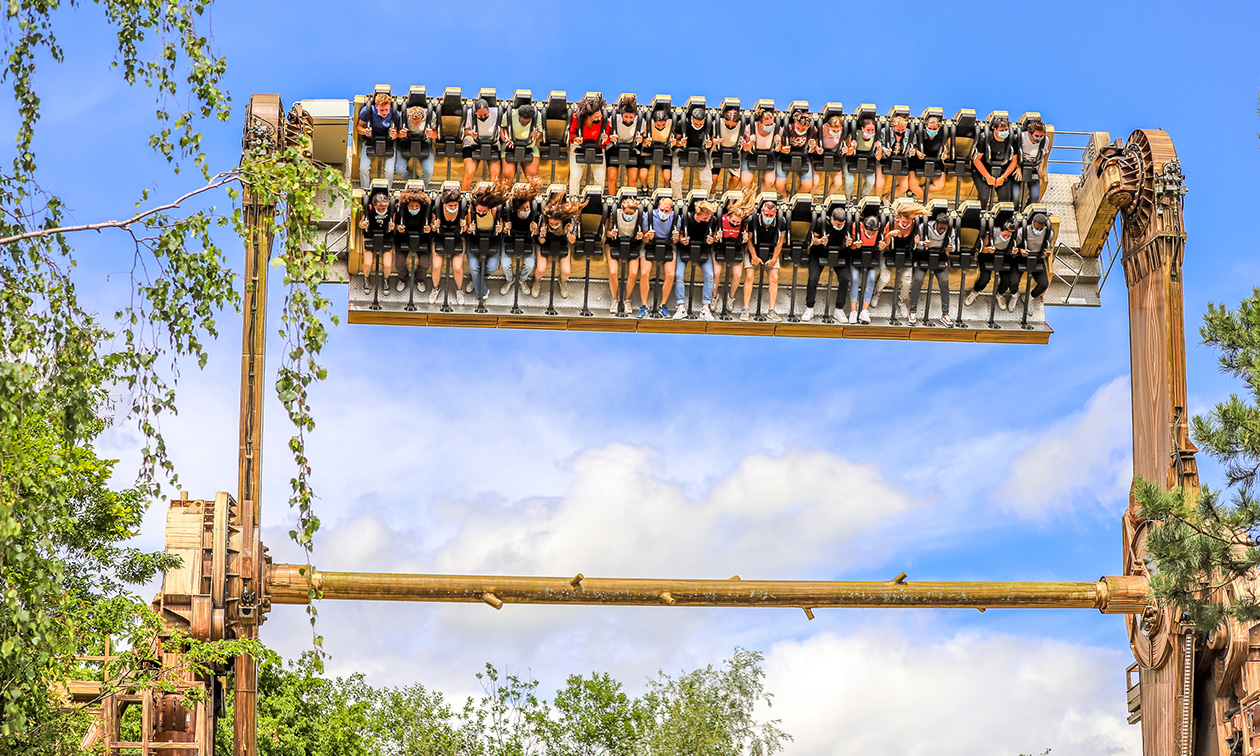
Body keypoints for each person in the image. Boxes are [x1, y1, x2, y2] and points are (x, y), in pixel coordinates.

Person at [877, 198, 926, 317]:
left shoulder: (915, 226)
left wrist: (917, 242)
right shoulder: (891, 223)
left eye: (907, 222)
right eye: (903, 222)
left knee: (907, 280)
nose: (905, 224)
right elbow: (885, 244)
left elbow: (917, 245)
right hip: (890, 253)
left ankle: (902, 301)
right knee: (885, 277)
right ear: (899, 218)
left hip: (906, 255)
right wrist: (889, 235)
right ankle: (877, 293)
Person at [465, 179, 511, 305]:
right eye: (479, 211)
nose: (481, 213)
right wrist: (469, 229)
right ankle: (482, 292)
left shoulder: (497, 211)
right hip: (474, 239)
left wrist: (500, 229)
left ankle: (476, 281)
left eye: (483, 212)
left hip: (492, 240)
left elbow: (502, 227)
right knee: (474, 268)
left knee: (491, 267)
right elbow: (467, 230)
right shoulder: (471, 210)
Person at [672, 199, 718, 320]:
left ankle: (705, 308)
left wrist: (711, 240)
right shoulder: (686, 218)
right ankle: (681, 306)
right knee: (678, 275)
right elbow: (680, 233)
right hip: (685, 248)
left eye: (709, 217)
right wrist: (682, 239)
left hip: (703, 249)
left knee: (710, 275)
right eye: (705, 217)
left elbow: (713, 235)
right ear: (698, 214)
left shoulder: (712, 220)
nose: (707, 219)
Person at [802, 206, 849, 322]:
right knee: (813, 279)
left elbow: (852, 241)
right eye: (837, 224)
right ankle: (809, 307)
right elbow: (812, 241)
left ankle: (839, 309)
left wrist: (849, 243)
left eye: (842, 224)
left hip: (839, 253)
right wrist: (820, 242)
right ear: (832, 219)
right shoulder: (821, 222)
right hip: (819, 253)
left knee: (845, 279)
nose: (840, 226)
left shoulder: (848, 224)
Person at [907, 213, 954, 327]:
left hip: (940, 256)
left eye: (944, 228)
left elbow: (954, 246)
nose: (942, 230)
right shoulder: (924, 227)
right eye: (940, 227)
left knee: (944, 282)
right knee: (918, 280)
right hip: (923, 255)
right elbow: (915, 244)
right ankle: (912, 312)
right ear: (936, 224)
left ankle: (945, 315)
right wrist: (922, 244)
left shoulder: (950, 231)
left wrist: (951, 248)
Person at [741, 198, 784, 322]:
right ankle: (746, 308)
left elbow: (780, 241)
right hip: (753, 248)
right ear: (762, 211)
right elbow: (748, 239)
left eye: (771, 215)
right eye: (766, 214)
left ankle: (771, 310)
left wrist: (774, 258)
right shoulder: (752, 219)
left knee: (774, 277)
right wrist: (754, 256)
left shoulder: (781, 220)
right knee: (749, 275)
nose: (768, 217)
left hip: (772, 249)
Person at [534, 192, 582, 299]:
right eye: (551, 223)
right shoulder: (543, 217)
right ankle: (536, 282)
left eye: (556, 224)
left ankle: (562, 282)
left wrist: (568, 233)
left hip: (562, 242)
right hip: (545, 242)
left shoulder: (569, 219)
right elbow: (541, 241)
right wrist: (542, 234)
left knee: (566, 272)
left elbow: (572, 241)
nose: (553, 226)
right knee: (541, 269)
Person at [499, 179, 542, 296]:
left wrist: (535, 229)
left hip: (527, 238)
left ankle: (522, 280)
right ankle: (510, 280)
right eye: (523, 209)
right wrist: (504, 227)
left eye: (527, 207)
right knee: (505, 264)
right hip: (510, 237)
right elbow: (501, 228)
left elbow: (538, 233)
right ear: (517, 208)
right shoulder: (507, 211)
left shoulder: (534, 211)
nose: (526, 210)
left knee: (529, 264)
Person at [638, 196, 678, 318]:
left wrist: (676, 239)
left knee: (670, 274)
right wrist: (647, 237)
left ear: (671, 210)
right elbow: (644, 239)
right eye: (662, 210)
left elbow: (676, 240)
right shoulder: (648, 216)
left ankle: (663, 305)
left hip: (668, 246)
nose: (664, 213)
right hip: (650, 245)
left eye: (667, 211)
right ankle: (644, 305)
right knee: (644, 273)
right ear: (658, 207)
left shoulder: (676, 218)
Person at [964, 218, 1017, 309]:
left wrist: (1014, 251)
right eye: (1004, 235)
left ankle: (999, 294)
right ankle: (975, 292)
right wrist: (988, 249)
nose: (1006, 238)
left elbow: (1015, 249)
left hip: (1003, 256)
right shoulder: (992, 234)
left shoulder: (1013, 237)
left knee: (1006, 280)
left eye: (1008, 236)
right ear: (1001, 230)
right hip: (988, 256)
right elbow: (982, 250)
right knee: (985, 278)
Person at [1007, 211, 1054, 311]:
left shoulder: (1049, 234)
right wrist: (1020, 250)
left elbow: (1049, 247)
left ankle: (1029, 298)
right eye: (1036, 228)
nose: (1038, 230)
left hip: (1037, 258)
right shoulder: (1022, 232)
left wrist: (1047, 253)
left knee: (1044, 284)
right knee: (1013, 281)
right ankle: (1014, 296)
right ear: (1032, 223)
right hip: (1022, 258)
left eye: (1041, 229)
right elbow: (1014, 247)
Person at [604, 194, 642, 315]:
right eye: (627, 213)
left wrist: (641, 236)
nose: (629, 216)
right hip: (614, 243)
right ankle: (615, 299)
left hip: (632, 243)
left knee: (633, 272)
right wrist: (611, 233)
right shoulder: (614, 214)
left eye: (631, 214)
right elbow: (607, 232)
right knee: (613, 272)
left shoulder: (640, 216)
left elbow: (644, 233)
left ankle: (626, 300)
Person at [429, 187, 468, 305]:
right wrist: (434, 226)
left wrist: (464, 226)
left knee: (457, 267)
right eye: (450, 206)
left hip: (457, 238)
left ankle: (459, 290)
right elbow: (431, 225)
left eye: (455, 206)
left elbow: (466, 229)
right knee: (436, 266)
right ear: (444, 204)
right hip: (440, 237)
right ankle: (435, 288)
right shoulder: (437, 209)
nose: (453, 208)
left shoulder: (463, 209)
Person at [356, 92, 403, 189]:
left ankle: (387, 191)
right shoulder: (367, 111)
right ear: (376, 106)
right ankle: (365, 189)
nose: (384, 112)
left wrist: (394, 135)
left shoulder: (396, 115)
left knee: (389, 171)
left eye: (386, 109)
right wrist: (365, 131)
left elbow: (399, 133)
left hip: (389, 143)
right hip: (371, 141)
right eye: (382, 110)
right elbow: (359, 128)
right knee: (363, 168)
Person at [714, 196, 751, 313]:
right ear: (728, 217)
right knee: (716, 272)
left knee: (737, 274)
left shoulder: (744, 223)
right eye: (733, 221)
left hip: (736, 248)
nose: (735, 224)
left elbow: (745, 241)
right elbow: (714, 238)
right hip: (721, 247)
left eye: (737, 222)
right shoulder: (721, 220)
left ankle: (731, 297)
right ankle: (714, 296)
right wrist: (717, 237)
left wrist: (745, 239)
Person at [392, 186, 432, 294]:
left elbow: (432, 225)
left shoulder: (426, 212)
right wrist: (397, 228)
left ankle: (419, 279)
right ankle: (403, 279)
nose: (414, 208)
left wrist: (429, 228)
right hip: (403, 238)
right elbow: (394, 225)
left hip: (422, 239)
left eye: (416, 206)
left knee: (425, 264)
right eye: (411, 206)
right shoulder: (401, 212)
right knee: (399, 263)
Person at [971, 115, 1017, 208]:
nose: (1004, 133)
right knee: (984, 196)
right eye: (1001, 130)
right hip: (984, 169)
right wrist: (988, 177)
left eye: (1006, 130)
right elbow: (976, 159)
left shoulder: (1013, 139)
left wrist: (1003, 178)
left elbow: (1014, 161)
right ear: (995, 129)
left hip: (1003, 170)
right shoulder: (984, 138)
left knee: (1005, 198)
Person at [568, 95, 609, 195]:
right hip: (578, 147)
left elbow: (607, 138)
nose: (600, 117)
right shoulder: (576, 118)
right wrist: (576, 139)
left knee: (600, 176)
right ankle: (573, 200)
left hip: (597, 147)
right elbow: (570, 134)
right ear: (588, 116)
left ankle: (597, 199)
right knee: (575, 175)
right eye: (596, 116)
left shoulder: (604, 120)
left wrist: (605, 139)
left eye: (600, 115)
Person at [846, 214, 882, 324]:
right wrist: (854, 245)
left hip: (871, 257)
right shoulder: (856, 227)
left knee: (871, 280)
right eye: (869, 232)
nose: (870, 235)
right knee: (855, 279)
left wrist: (883, 244)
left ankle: (864, 311)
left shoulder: (879, 230)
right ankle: (853, 311)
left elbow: (883, 243)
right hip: (856, 256)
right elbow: (850, 246)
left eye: (873, 233)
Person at [671, 104, 714, 196]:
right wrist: (680, 143)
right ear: (691, 119)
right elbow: (675, 143)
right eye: (696, 123)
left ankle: (702, 201)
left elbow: (710, 140)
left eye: (700, 124)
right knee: (675, 180)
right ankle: (678, 200)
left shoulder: (708, 125)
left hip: (701, 151)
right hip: (682, 151)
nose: (698, 126)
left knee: (708, 181)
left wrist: (709, 144)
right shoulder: (682, 124)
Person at [358, 188, 395, 294]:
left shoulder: (391, 211)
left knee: (387, 264)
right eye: (380, 208)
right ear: (374, 206)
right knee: (368, 263)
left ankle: (386, 280)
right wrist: (363, 225)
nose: (382, 210)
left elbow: (396, 225)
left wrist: (392, 226)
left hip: (386, 237)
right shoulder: (368, 211)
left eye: (384, 208)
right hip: (370, 236)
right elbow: (361, 224)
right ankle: (366, 278)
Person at [461, 98, 502, 190]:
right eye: (480, 115)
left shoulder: (497, 113)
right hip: (472, 144)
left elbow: (503, 128)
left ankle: (492, 197)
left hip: (493, 144)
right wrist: (471, 133)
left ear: (488, 110)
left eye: (485, 115)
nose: (483, 117)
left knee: (495, 174)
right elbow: (463, 131)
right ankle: (464, 195)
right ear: (475, 112)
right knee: (469, 172)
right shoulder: (469, 114)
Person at [605, 96, 643, 193]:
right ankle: (612, 199)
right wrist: (610, 137)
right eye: (626, 117)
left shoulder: (640, 121)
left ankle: (629, 200)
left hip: (631, 147)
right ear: (621, 115)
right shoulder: (614, 119)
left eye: (631, 117)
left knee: (633, 177)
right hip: (614, 147)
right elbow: (607, 133)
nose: (628, 120)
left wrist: (641, 139)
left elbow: (643, 135)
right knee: (612, 177)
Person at [776, 109, 817, 196]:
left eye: (803, 129)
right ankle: (786, 197)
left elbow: (813, 149)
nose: (800, 130)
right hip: (785, 157)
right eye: (798, 128)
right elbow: (780, 146)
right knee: (779, 185)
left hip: (803, 157)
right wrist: (783, 149)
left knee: (808, 185)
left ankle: (795, 198)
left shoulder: (813, 131)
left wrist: (812, 147)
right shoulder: (788, 128)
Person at [907, 113, 947, 200]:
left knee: (940, 185)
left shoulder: (943, 135)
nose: (932, 130)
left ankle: (920, 191)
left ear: (939, 128)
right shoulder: (919, 133)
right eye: (930, 128)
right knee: (913, 185)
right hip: (918, 160)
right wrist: (917, 152)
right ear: (926, 127)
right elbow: (914, 146)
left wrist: (944, 155)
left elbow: (945, 148)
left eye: (934, 129)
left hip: (935, 160)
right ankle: (927, 202)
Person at [500, 103, 542, 182]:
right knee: (507, 174)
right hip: (510, 147)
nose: (524, 124)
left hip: (530, 147)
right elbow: (503, 128)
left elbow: (540, 133)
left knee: (533, 177)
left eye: (527, 123)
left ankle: (532, 194)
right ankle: (505, 194)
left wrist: (536, 135)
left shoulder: (537, 116)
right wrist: (506, 139)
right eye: (522, 122)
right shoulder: (510, 114)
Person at [740, 106, 778, 192]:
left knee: (770, 182)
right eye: (767, 125)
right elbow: (746, 148)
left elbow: (779, 149)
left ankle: (758, 196)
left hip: (769, 155)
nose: (770, 126)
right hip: (751, 155)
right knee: (746, 182)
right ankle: (748, 198)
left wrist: (779, 145)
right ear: (760, 123)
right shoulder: (750, 128)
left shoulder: (777, 129)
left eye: (771, 124)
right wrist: (749, 143)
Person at [398, 105, 437, 187]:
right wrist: (401, 134)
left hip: (424, 143)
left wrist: (431, 134)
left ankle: (420, 189)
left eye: (417, 122)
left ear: (422, 117)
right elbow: (397, 132)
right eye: (412, 121)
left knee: (428, 172)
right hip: (406, 143)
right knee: (399, 170)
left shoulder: (430, 115)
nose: (414, 124)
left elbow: (436, 134)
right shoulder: (403, 115)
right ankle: (414, 182)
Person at [843, 115, 880, 199]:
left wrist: (879, 148)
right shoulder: (855, 135)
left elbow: (878, 157)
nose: (870, 132)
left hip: (869, 160)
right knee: (849, 181)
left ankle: (863, 196)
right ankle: (848, 198)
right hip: (852, 159)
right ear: (862, 129)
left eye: (872, 130)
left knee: (871, 181)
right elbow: (848, 153)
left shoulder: (876, 138)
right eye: (868, 130)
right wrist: (852, 147)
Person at [1014, 118, 1049, 206]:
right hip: (1019, 164)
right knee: (1015, 196)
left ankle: (1028, 212)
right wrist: (1017, 168)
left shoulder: (1045, 140)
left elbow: (1043, 155)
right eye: (1036, 136)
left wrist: (1041, 168)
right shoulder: (1021, 137)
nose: (1039, 138)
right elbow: (1013, 155)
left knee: (1035, 196)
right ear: (1030, 133)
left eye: (1041, 136)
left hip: (1033, 166)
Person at [876, 114, 911, 197]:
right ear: (893, 127)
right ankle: (878, 201)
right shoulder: (885, 131)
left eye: (903, 129)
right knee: (879, 184)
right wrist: (883, 149)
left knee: (904, 186)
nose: (901, 132)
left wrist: (912, 151)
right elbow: (879, 144)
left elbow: (913, 145)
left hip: (902, 160)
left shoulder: (909, 133)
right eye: (898, 129)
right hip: (885, 159)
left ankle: (887, 199)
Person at [640, 107, 674, 189]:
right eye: (658, 125)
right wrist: (644, 141)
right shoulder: (648, 124)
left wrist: (673, 142)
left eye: (663, 125)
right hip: (648, 150)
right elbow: (642, 139)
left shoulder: (670, 124)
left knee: (667, 176)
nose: (660, 127)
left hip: (665, 151)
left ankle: (666, 189)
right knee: (643, 175)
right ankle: (644, 188)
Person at [711, 104, 743, 191]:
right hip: (717, 152)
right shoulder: (717, 123)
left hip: (734, 153)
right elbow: (711, 137)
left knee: (736, 178)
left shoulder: (741, 125)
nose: (730, 127)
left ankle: (728, 195)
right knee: (713, 178)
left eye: (733, 126)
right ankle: (712, 193)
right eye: (728, 125)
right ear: (724, 120)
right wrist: (714, 140)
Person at [817, 114, 847, 196]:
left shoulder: (842, 131)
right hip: (820, 155)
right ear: (828, 126)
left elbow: (843, 142)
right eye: (834, 131)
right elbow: (816, 140)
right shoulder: (823, 129)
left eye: (838, 131)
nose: (836, 133)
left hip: (834, 156)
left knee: (838, 183)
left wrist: (844, 148)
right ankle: (812, 197)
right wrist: (817, 148)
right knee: (815, 182)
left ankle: (828, 197)